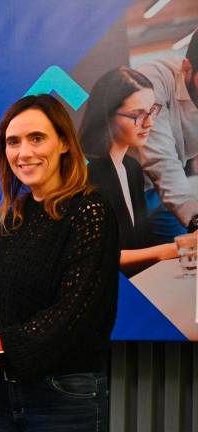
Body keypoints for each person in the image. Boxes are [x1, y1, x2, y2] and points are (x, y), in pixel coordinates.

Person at [0, 94, 120, 431]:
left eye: (37, 138)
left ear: (63, 143)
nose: (24, 152)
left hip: (62, 396)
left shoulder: (90, 212)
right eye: (13, 142)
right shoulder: (11, 220)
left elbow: (75, 313)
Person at [79, 67, 178, 276]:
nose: (149, 123)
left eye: (151, 111)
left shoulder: (132, 169)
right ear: (107, 115)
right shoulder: (85, 173)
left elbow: (140, 241)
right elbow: (96, 257)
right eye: (137, 115)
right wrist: (170, 250)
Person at [134, 31, 198, 241]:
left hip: (167, 191)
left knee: (184, 259)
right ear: (187, 68)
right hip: (129, 189)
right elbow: (159, 158)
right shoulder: (153, 78)